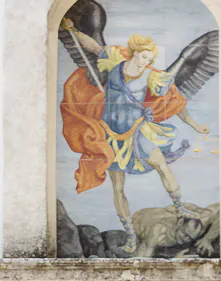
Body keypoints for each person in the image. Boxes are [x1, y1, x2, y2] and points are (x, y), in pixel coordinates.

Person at [60, 28, 209, 247]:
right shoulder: (112, 63)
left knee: (162, 166)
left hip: (139, 132)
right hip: (110, 137)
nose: (146, 62)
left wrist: (194, 124)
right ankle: (130, 234)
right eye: (144, 57)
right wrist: (72, 29)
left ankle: (180, 208)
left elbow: (175, 103)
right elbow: (91, 46)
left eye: (150, 59)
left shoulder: (152, 76)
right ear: (133, 53)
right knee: (118, 186)